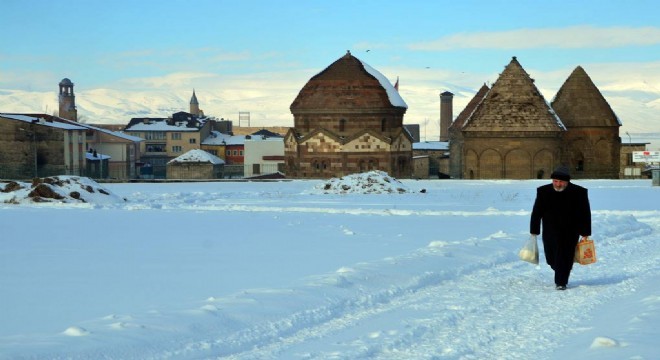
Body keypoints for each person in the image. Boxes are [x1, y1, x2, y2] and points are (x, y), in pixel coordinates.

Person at [530, 166, 591, 290]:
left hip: (570, 231)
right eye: (555, 181)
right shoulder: (543, 191)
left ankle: (561, 282)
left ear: (567, 181)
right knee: (551, 259)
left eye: (561, 182)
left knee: (565, 256)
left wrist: (585, 232)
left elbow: (585, 212)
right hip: (550, 230)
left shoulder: (579, 192)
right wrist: (534, 230)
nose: (558, 184)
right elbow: (537, 212)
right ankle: (560, 269)